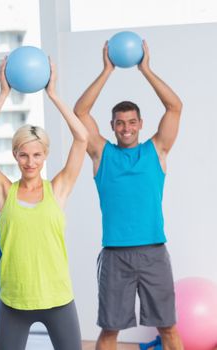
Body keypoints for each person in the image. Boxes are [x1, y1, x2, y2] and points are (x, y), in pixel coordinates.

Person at [73, 41, 183, 350]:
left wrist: (145, 69)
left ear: (140, 124)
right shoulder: (100, 154)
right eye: (120, 123)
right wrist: (107, 70)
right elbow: (80, 111)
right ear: (112, 126)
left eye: (132, 122)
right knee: (110, 331)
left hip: (154, 254)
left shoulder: (156, 150)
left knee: (169, 328)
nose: (126, 128)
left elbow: (175, 107)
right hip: (115, 256)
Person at [0, 58, 88, 349]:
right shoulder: (3, 190)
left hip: (57, 297)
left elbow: (81, 138)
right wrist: (3, 94)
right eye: (24, 155)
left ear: (45, 156)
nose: (30, 162)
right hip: (14, 299)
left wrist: (53, 94)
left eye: (37, 155)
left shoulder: (58, 189)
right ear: (15, 155)